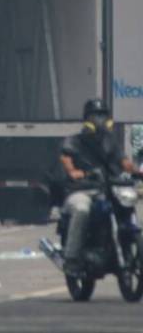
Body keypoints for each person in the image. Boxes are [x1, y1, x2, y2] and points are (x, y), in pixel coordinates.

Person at [59, 98, 139, 276]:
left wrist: (137, 171)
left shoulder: (111, 142)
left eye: (103, 116)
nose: (100, 120)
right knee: (82, 209)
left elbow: (124, 162)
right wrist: (76, 173)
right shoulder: (73, 141)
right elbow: (67, 162)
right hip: (81, 190)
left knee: (126, 204)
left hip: (108, 190)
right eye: (95, 116)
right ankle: (72, 259)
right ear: (87, 119)